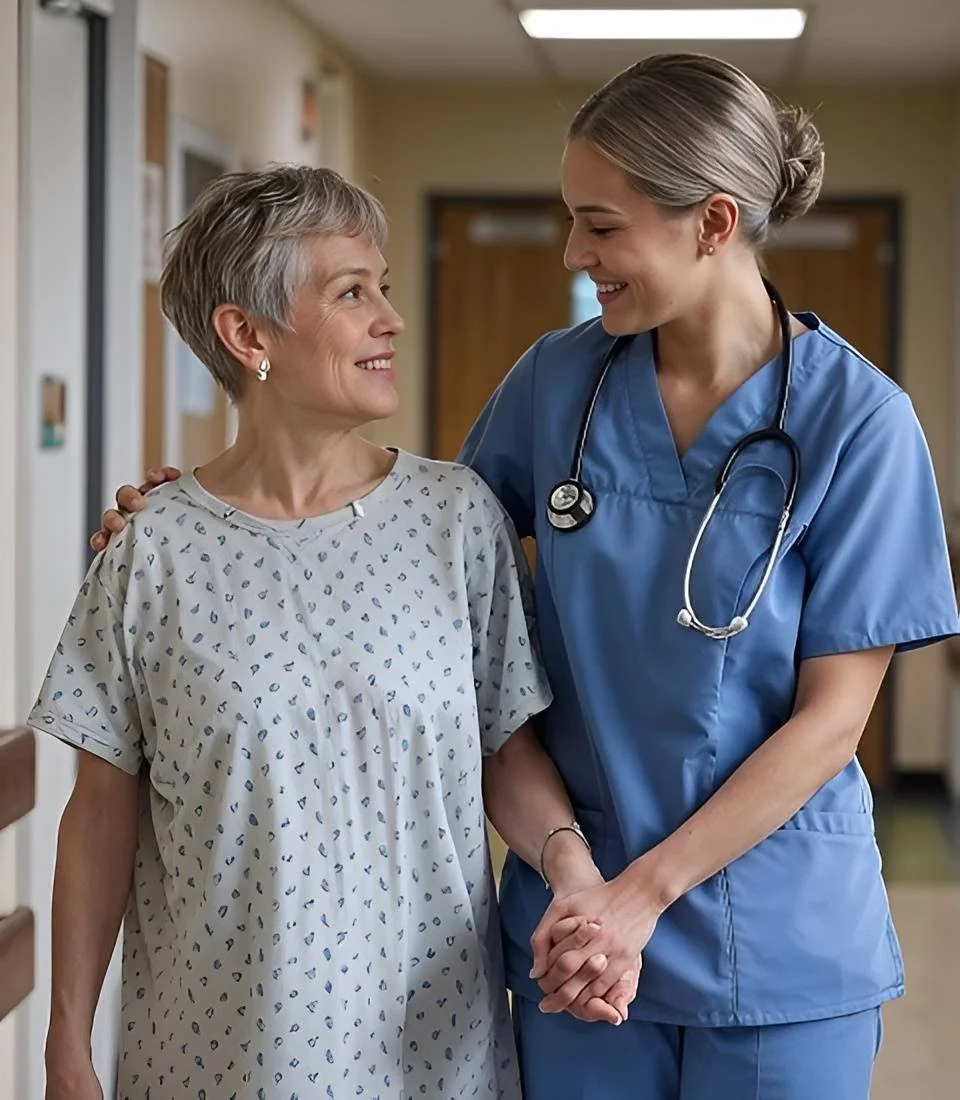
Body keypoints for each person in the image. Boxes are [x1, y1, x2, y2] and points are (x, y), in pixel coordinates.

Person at [95, 54, 960, 1099]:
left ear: (714, 223)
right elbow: (406, 546)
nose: (574, 250)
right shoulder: (557, 382)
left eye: (601, 225)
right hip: (572, 930)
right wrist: (199, 521)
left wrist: (635, 900)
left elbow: (833, 721)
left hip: (773, 934)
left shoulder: (859, 424)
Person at [33, 165, 627, 1100]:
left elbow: (505, 749)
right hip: (216, 1053)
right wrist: (66, 1045)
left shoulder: (455, 518)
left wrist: (572, 869)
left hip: (431, 1049)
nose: (390, 318)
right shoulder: (151, 550)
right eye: (353, 293)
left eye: (384, 287)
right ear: (248, 335)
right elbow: (99, 815)